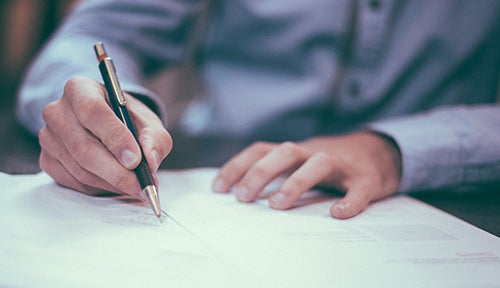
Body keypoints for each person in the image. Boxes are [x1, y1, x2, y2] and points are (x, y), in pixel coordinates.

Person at [16, 0, 500, 219]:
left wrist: (395, 149)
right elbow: (94, 33)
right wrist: (106, 115)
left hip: (445, 195)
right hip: (222, 176)